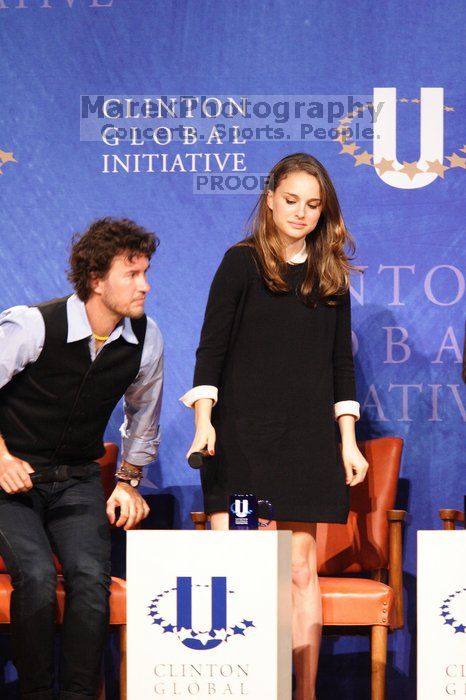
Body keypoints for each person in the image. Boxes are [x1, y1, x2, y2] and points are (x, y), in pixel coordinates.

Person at [181, 153, 369, 700]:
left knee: (298, 569)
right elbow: (210, 349)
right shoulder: (240, 263)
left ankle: (303, 693)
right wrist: (204, 422)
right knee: (239, 564)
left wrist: (348, 442)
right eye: (291, 201)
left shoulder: (330, 274)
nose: (301, 213)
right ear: (269, 199)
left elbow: (341, 364)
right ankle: (242, 687)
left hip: (307, 440)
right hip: (240, 438)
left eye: (313, 205)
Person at [0, 218, 164, 700]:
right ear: (96, 280)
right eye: (132, 274)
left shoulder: (145, 337)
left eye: (146, 272)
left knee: (91, 578)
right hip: (11, 479)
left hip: (75, 479)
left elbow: (144, 413)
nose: (145, 285)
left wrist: (129, 480)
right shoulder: (32, 325)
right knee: (33, 573)